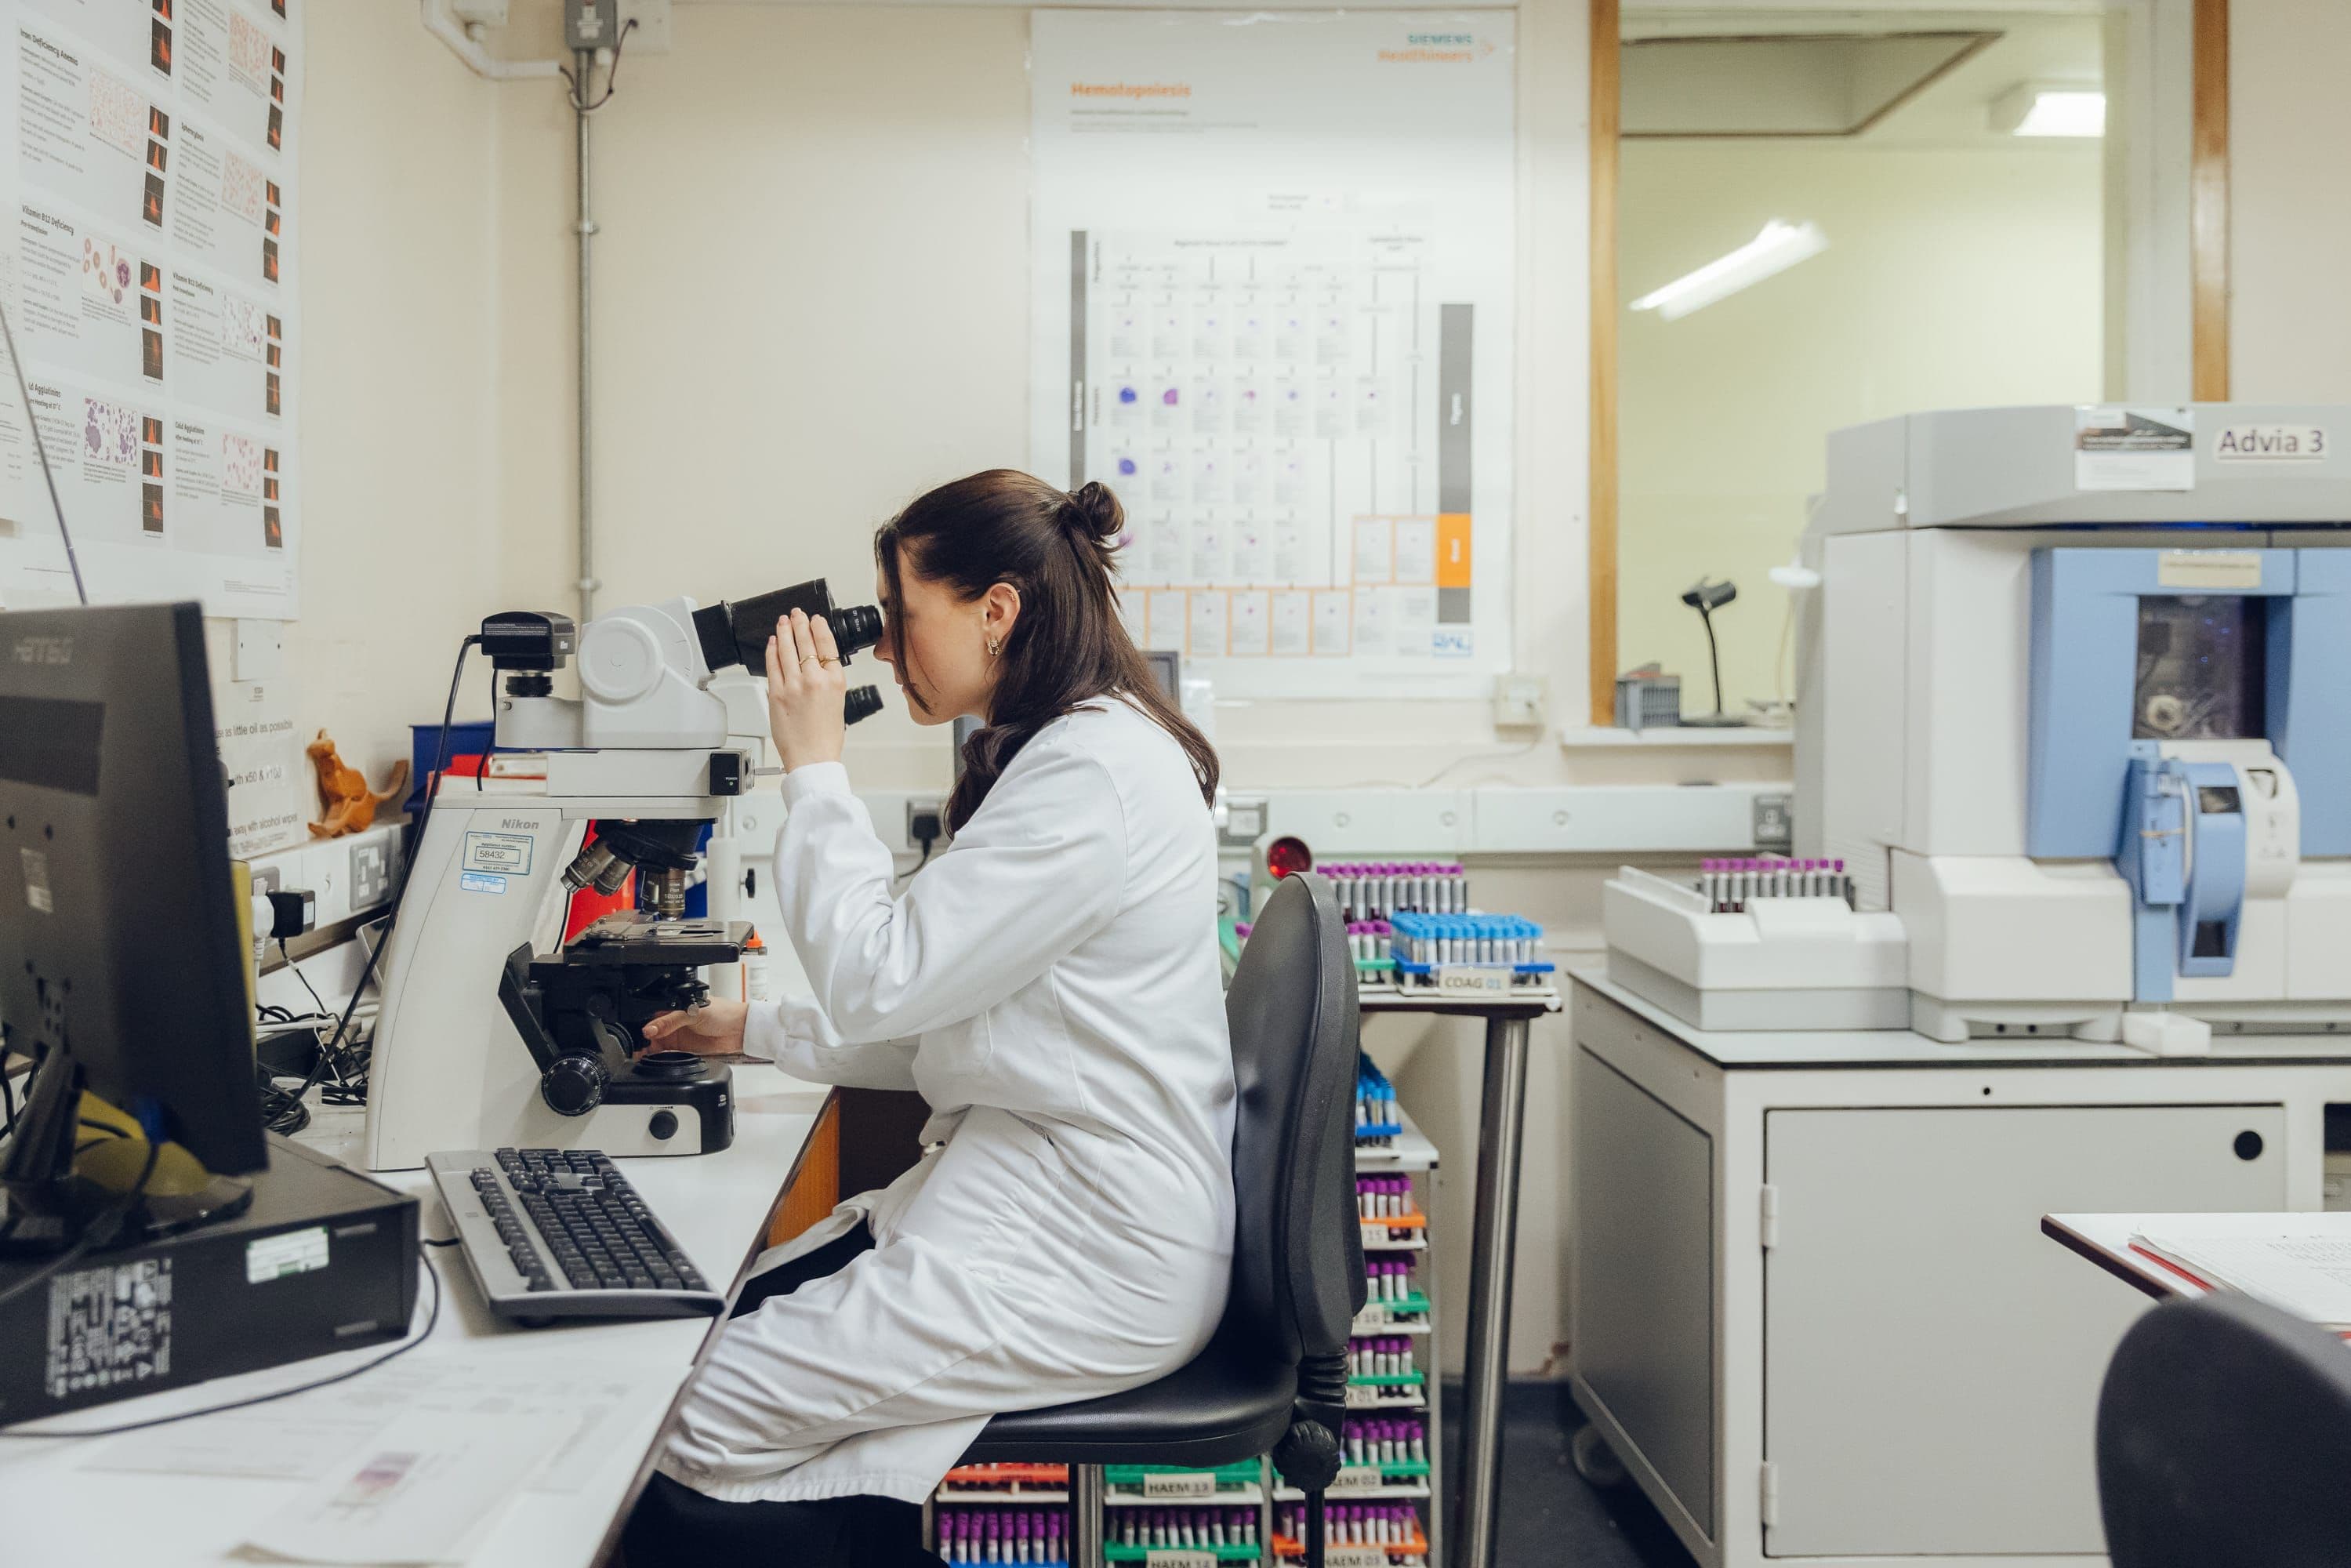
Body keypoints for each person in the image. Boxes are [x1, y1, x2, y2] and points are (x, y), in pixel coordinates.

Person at [619, 470, 1235, 1568]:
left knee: (670, 1421)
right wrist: (758, 1030)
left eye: (900, 618)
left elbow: (887, 981)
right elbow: (958, 1017)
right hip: (1038, 1207)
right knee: (724, 1339)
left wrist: (814, 768)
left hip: (1086, 1250)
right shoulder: (1078, 749)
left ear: (997, 610)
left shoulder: (1093, 772)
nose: (888, 651)